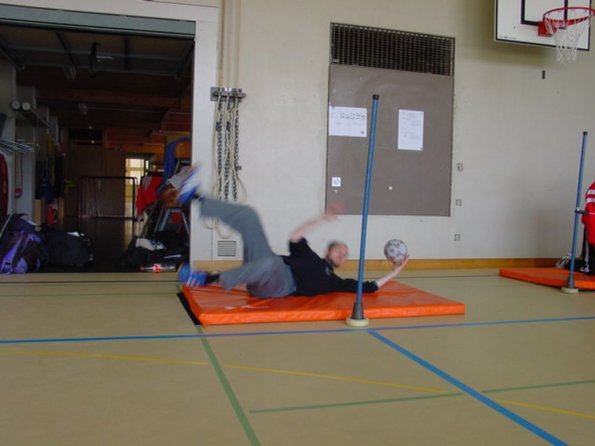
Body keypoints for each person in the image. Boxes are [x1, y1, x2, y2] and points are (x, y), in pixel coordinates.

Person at [177, 166, 409, 298]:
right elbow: (295, 237)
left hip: (280, 285)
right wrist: (322, 218)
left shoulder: (336, 282)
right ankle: (195, 197)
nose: (343, 255)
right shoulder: (308, 256)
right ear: (327, 251)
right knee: (249, 216)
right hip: (266, 266)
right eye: (340, 250)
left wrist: (395, 272)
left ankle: (206, 279)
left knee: (271, 262)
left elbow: (368, 288)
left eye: (345, 255)